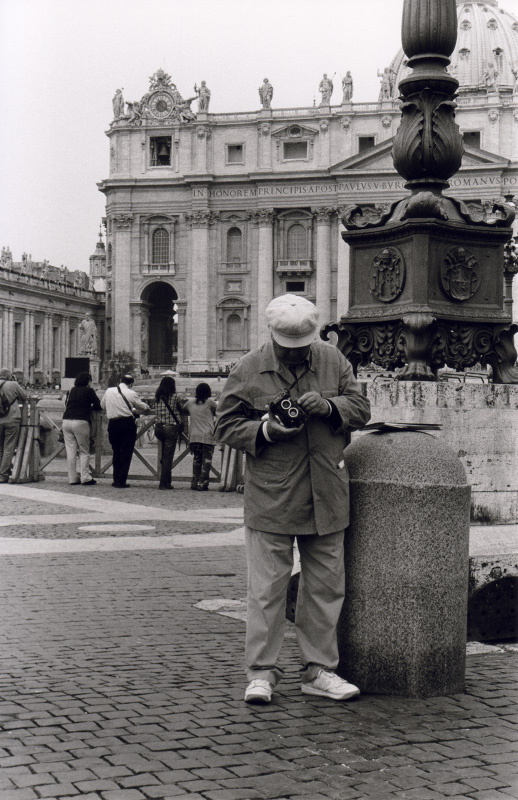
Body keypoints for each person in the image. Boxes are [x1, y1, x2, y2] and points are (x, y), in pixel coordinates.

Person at [215, 294, 371, 705]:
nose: (295, 354)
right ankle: (260, 673)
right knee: (267, 590)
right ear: (271, 335)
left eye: (302, 348)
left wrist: (330, 406)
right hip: (273, 494)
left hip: (326, 492)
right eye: (287, 348)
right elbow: (225, 425)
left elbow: (361, 408)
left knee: (325, 588)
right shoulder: (248, 367)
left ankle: (319, 670)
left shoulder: (334, 360)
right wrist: (265, 431)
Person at [101, 374, 151, 488]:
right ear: (131, 384)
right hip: (127, 424)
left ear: (120, 381)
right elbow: (142, 406)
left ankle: (116, 479)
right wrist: (147, 407)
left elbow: (102, 405)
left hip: (113, 424)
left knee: (116, 451)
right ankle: (121, 480)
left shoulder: (109, 391)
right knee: (126, 452)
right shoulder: (131, 393)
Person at [61, 372, 101, 485]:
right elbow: (98, 405)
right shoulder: (89, 391)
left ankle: (72, 478)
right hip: (81, 421)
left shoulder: (71, 391)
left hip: (66, 421)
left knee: (70, 451)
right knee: (84, 451)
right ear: (88, 381)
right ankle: (85, 477)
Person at [184, 382, 217, 492]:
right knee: (206, 462)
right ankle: (202, 484)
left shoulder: (190, 403)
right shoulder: (210, 402)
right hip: (207, 436)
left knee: (196, 460)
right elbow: (220, 410)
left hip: (194, 436)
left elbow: (183, 409)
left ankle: (194, 482)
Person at [154, 374, 185, 490]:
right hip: (170, 428)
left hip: (158, 428)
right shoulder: (175, 397)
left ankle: (166, 481)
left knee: (164, 455)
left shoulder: (157, 397)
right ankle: (164, 483)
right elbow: (181, 409)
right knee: (168, 457)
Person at [0, 369, 27, 483]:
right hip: (12, 419)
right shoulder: (13, 384)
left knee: (0, 449)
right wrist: (15, 382)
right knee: (8, 448)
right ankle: (3, 475)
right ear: (9, 376)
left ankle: (1, 472)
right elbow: (24, 397)